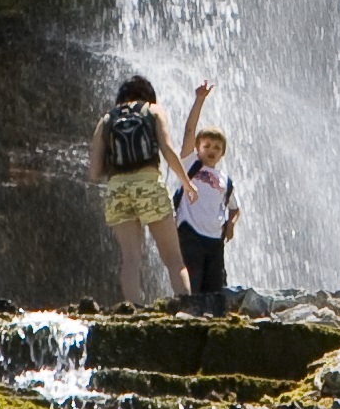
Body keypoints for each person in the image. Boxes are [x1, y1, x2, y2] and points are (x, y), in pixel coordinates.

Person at [92, 70, 175, 303]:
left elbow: (94, 171)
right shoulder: (153, 111)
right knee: (174, 259)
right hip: (148, 183)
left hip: (117, 188)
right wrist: (187, 184)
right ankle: (188, 309)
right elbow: (168, 150)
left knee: (130, 259)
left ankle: (133, 311)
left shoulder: (107, 119)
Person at [170, 81, 239, 311]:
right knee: (192, 285)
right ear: (198, 148)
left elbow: (234, 208)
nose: (211, 150)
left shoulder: (225, 180)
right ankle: (186, 320)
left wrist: (231, 224)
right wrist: (199, 100)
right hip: (190, 234)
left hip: (215, 241)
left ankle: (214, 328)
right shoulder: (190, 165)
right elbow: (190, 130)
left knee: (216, 290)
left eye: (217, 147)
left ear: (222, 153)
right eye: (207, 145)